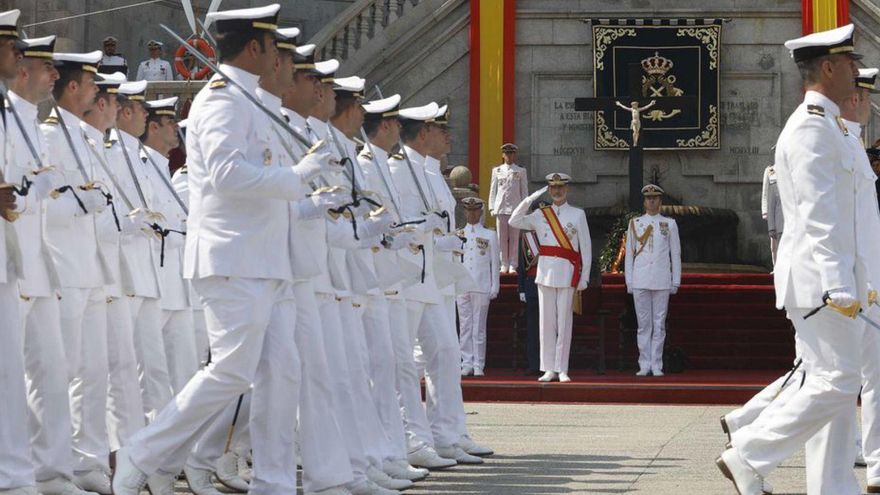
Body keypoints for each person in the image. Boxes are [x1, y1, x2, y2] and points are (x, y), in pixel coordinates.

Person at [110, 5, 336, 494]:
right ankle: (144, 450)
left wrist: (307, 195)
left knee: (283, 373)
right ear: (255, 47)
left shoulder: (252, 100)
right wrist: (299, 176)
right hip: (233, 259)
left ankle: (273, 483)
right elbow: (227, 176)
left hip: (267, 259)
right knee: (231, 370)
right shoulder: (222, 102)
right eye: (274, 47)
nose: (280, 59)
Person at [716, 24, 868, 495]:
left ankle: (831, 487)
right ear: (827, 68)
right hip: (822, 282)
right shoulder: (809, 129)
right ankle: (749, 454)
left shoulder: (831, 128)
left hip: (837, 279)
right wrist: (836, 282)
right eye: (849, 63)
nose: (857, 72)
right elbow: (820, 214)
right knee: (840, 381)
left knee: (835, 389)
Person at [0, 10, 45, 495]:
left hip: (6, 256)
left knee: (9, 372)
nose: (18, 53)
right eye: (11, 45)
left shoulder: (8, 111)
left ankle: (13, 478)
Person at [509, 173, 591, 383]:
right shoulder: (540, 214)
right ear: (548, 189)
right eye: (553, 187)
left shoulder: (577, 214)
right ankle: (548, 369)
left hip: (567, 273)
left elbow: (586, 249)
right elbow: (514, 220)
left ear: (567, 189)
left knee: (564, 323)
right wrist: (529, 199)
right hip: (545, 274)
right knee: (546, 324)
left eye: (560, 187)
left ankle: (562, 368)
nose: (556, 191)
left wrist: (585, 277)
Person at [624, 184, 681, 377]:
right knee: (643, 324)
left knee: (659, 323)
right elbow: (629, 256)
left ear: (660, 201)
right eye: (649, 198)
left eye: (655, 198)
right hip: (640, 278)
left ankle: (657, 363)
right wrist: (629, 281)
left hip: (661, 279)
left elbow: (676, 253)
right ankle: (644, 363)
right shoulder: (635, 223)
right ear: (644, 201)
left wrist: (676, 281)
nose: (652, 201)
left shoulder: (669, 224)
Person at [456, 197, 499, 376]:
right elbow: (455, 262)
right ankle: (466, 362)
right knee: (465, 326)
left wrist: (495, 286)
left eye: (475, 210)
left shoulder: (489, 234)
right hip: (462, 285)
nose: (471, 213)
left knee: (479, 327)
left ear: (480, 211)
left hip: (481, 284)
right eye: (468, 210)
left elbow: (494, 263)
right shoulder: (458, 234)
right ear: (464, 212)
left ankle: (478, 363)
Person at [488, 143, 527, 274]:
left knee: (515, 238)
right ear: (503, 155)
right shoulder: (497, 170)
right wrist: (491, 207)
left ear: (514, 155)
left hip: (515, 209)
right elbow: (493, 190)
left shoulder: (520, 171)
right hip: (501, 208)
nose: (509, 156)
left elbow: (524, 191)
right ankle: (503, 264)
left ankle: (513, 265)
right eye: (506, 153)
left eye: (511, 153)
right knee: (501, 238)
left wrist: (524, 209)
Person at [517, 228, 541, 374]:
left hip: (550, 284)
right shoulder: (528, 237)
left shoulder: (554, 232)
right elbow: (522, 263)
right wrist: (521, 288)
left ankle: (549, 364)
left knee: (550, 327)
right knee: (533, 328)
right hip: (532, 285)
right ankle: (534, 364)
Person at [761, 163, 783, 265]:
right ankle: (775, 265)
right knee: (773, 244)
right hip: (772, 209)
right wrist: (765, 211)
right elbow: (765, 193)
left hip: (782, 209)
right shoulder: (770, 170)